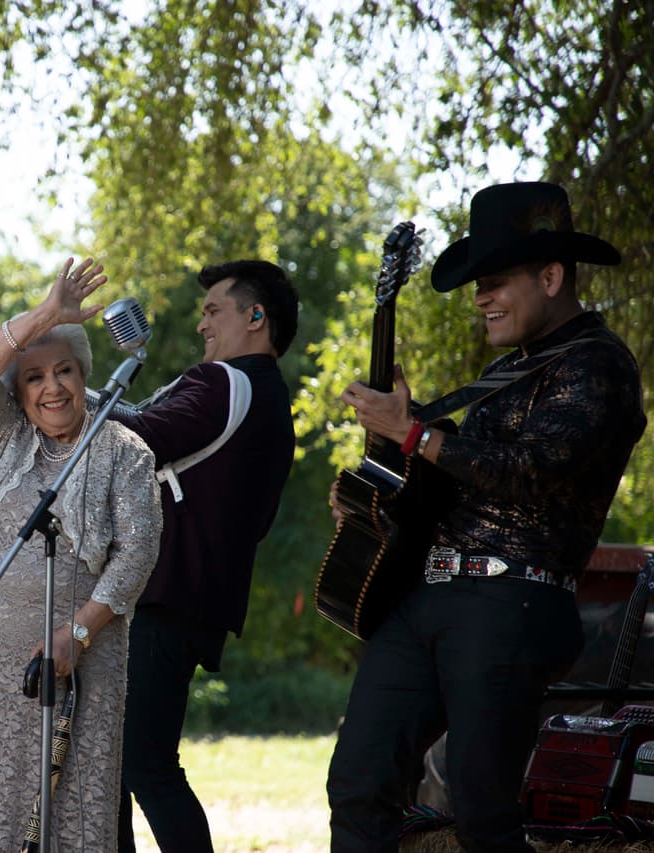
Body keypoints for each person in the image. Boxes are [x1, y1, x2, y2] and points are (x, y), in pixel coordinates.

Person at [326, 181, 646, 851]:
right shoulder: (506, 376)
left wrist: (415, 435)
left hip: (515, 600)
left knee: (481, 807)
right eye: (477, 285)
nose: (479, 298)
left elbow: (534, 472)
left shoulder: (601, 367)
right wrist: (377, 493)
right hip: (427, 598)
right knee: (357, 782)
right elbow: (455, 487)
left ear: (551, 276)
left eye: (495, 281)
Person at [0, 257, 162, 851]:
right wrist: (42, 317)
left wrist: (77, 634)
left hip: (81, 659)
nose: (52, 387)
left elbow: (136, 555)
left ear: (85, 376)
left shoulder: (123, 448)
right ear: (20, 392)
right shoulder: (1, 435)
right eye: (34, 377)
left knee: (72, 811)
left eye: (64, 371)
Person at [112, 260, 300, 853]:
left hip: (162, 596)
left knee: (141, 765)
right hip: (199, 603)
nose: (201, 326)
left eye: (212, 309)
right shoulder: (273, 400)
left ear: (255, 316)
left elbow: (136, 438)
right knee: (122, 766)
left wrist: (58, 397)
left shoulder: (223, 382)